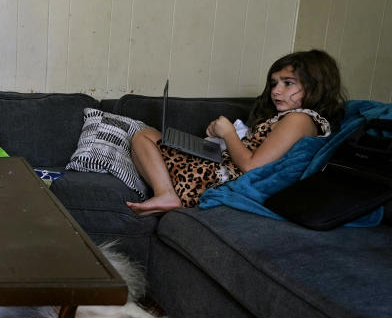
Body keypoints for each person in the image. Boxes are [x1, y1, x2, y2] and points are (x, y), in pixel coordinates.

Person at [127, 49, 346, 216]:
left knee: (143, 137)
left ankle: (166, 194)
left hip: (220, 179)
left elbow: (252, 167)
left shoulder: (299, 119)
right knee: (149, 136)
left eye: (288, 83)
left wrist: (229, 133)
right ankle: (167, 192)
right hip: (221, 166)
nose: (276, 91)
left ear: (315, 87)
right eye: (274, 84)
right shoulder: (294, 118)